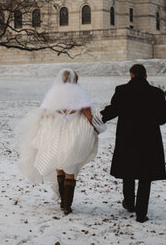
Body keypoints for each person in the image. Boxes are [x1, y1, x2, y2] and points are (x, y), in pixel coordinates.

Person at [18, 68, 106, 214]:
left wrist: (41, 129)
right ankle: (67, 205)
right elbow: (89, 116)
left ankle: (63, 202)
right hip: (74, 134)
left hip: (55, 134)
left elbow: (43, 114)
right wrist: (96, 130)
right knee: (70, 168)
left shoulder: (53, 95)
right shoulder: (79, 96)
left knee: (59, 164)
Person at [101, 64, 166, 223]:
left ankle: (130, 203)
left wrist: (97, 118)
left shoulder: (122, 91)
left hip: (127, 138)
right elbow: (162, 119)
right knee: (146, 176)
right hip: (149, 139)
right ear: (145, 76)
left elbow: (112, 111)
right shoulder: (156, 93)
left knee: (128, 171)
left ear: (131, 75)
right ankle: (141, 212)